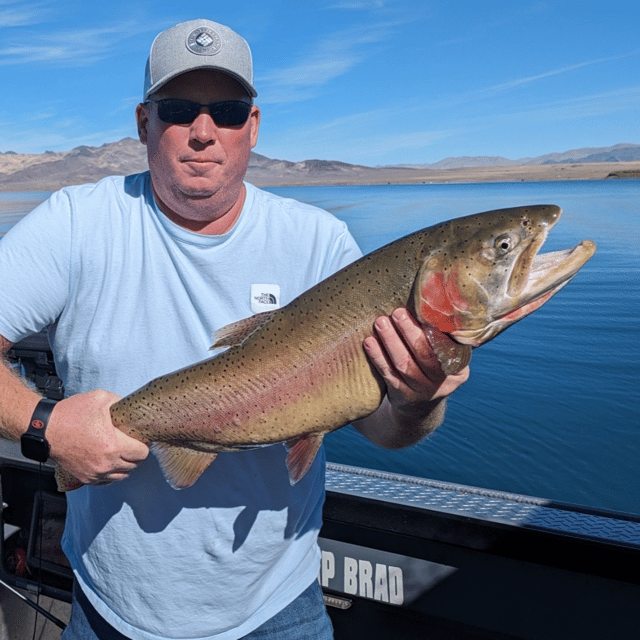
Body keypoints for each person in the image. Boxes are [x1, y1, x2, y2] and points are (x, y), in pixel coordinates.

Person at [0, 19, 469, 640]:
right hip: (107, 609)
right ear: (144, 123)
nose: (202, 132)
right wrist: (45, 424)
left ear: (252, 126)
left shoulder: (317, 243)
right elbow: (43, 420)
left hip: (276, 611)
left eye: (225, 110)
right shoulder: (76, 223)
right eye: (177, 110)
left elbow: (384, 427)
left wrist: (417, 401)